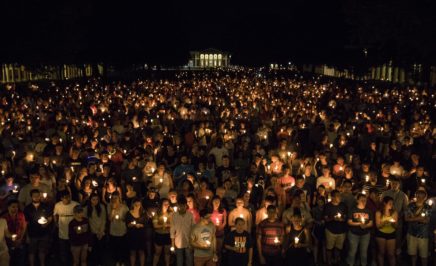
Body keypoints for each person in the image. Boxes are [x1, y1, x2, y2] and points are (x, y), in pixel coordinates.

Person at [23, 189, 53, 266]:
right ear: (31, 197)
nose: (36, 197)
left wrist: (47, 223)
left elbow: (50, 217)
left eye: (38, 196)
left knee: (42, 251)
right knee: (31, 251)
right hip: (32, 233)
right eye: (34, 196)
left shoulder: (45, 206)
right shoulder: (27, 208)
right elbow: (25, 223)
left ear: (40, 196)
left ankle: (42, 264)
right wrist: (27, 236)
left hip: (44, 233)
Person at [381, 176, 409, 256]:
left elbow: (405, 209)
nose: (394, 185)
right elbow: (381, 205)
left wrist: (400, 216)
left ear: (399, 185)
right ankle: (385, 252)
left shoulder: (403, 196)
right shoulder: (385, 193)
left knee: (398, 236)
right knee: (385, 234)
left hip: (398, 219)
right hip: (386, 218)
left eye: (396, 184)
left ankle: (397, 252)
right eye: (393, 183)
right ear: (390, 183)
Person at [405, 189, 431, 266]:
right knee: (413, 254)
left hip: (423, 235)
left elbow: (427, 221)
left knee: (424, 256)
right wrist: (419, 218)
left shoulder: (428, 207)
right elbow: (406, 219)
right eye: (418, 196)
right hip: (411, 233)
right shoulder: (410, 205)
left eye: (422, 197)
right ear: (416, 196)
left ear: (425, 197)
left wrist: (412, 218)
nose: (420, 198)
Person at [346, 193, 373, 266]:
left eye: (365, 200)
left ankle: (363, 264)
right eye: (362, 200)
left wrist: (366, 226)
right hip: (353, 234)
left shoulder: (368, 211)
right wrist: (359, 224)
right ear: (357, 201)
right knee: (353, 251)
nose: (364, 202)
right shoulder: (353, 210)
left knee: (364, 251)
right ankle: (350, 263)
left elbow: (371, 223)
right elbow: (349, 222)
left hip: (365, 234)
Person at [54, 190, 79, 265]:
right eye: (65, 198)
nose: (67, 199)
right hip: (62, 229)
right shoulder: (58, 205)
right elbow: (55, 214)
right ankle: (64, 262)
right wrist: (56, 223)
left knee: (73, 248)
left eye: (69, 197)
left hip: (73, 229)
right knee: (63, 249)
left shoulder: (75, 204)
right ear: (61, 198)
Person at [323, 189, 348, 266]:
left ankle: (336, 260)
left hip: (341, 231)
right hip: (330, 231)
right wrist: (333, 218)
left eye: (339, 196)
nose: (339, 197)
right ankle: (329, 261)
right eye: (337, 196)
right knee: (329, 248)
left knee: (338, 247)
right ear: (333, 197)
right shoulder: (327, 206)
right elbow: (326, 219)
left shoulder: (343, 205)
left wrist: (342, 219)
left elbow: (346, 217)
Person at [170, 195, 194, 266]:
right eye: (180, 205)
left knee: (189, 259)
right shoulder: (174, 215)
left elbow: (193, 228)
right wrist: (172, 245)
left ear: (186, 205)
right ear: (178, 205)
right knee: (179, 260)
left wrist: (193, 241)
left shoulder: (190, 215)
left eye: (183, 205)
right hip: (178, 242)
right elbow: (172, 231)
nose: (182, 207)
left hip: (188, 241)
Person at [2, 199, 27, 266]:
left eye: (17, 207)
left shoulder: (21, 215)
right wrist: (11, 240)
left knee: (21, 259)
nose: (15, 209)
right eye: (13, 207)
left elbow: (24, 227)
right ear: (8, 207)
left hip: (20, 241)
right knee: (10, 260)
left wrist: (20, 239)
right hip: (9, 243)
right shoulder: (4, 217)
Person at [84, 193, 106, 266]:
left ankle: (100, 262)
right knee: (93, 250)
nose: (95, 201)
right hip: (92, 232)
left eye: (97, 199)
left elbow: (103, 220)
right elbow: (86, 220)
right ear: (90, 200)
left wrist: (101, 231)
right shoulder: (87, 208)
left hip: (100, 231)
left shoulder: (102, 207)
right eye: (93, 199)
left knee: (101, 249)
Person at [107, 191, 129, 266]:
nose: (114, 199)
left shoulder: (124, 206)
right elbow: (109, 219)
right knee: (115, 247)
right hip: (113, 230)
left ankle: (122, 261)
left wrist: (123, 218)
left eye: (116, 198)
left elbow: (127, 218)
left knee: (122, 246)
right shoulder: (109, 206)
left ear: (119, 198)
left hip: (122, 230)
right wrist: (113, 209)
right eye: (113, 198)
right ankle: (116, 261)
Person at [375, 196, 398, 266]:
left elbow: (396, 226)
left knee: (391, 254)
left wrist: (393, 223)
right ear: (385, 203)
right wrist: (384, 222)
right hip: (381, 233)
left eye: (392, 203)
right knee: (381, 252)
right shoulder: (378, 212)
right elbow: (378, 226)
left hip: (391, 234)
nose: (391, 205)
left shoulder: (394, 212)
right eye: (390, 203)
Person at [126, 198, 147, 266]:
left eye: (139, 205)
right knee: (133, 252)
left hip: (141, 235)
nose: (137, 206)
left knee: (141, 251)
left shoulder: (143, 213)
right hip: (132, 235)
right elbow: (127, 224)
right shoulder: (129, 213)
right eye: (136, 205)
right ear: (133, 205)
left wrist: (141, 225)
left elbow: (146, 224)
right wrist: (131, 225)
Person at [153, 198, 172, 266]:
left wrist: (166, 225)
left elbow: (174, 224)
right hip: (159, 235)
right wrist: (163, 226)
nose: (167, 205)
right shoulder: (157, 213)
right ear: (161, 205)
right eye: (165, 204)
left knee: (167, 253)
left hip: (167, 235)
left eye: (168, 204)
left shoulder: (170, 213)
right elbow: (155, 225)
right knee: (157, 253)